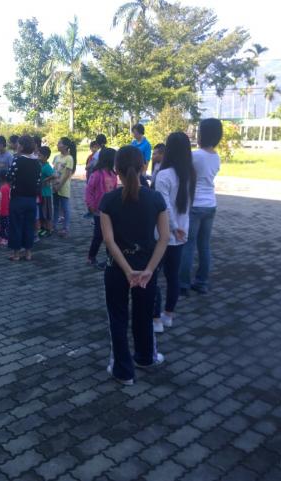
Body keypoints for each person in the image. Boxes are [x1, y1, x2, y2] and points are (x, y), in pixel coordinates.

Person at [100, 145, 169, 385]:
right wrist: (149, 270)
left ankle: (123, 371)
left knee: (117, 318)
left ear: (116, 169)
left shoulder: (108, 200)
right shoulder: (156, 198)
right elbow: (164, 238)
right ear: (143, 167)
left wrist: (127, 270)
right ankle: (145, 357)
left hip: (117, 269)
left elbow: (109, 241)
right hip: (147, 268)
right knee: (144, 315)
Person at [152, 132, 195, 333]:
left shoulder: (164, 174)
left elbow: (164, 206)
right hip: (180, 235)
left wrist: (174, 227)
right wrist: (179, 228)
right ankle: (168, 315)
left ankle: (156, 319)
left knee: (152, 275)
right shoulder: (190, 174)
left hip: (163, 235)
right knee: (172, 277)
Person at [179, 118, 222, 296]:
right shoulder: (216, 157)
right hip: (210, 205)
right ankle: (201, 282)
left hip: (195, 205)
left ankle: (183, 284)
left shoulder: (195, 156)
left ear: (203, 134)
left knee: (188, 245)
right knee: (204, 246)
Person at [7, 135, 41, 261]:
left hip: (18, 198)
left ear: (21, 146)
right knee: (29, 225)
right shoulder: (37, 162)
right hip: (32, 199)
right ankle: (28, 253)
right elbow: (38, 181)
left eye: (18, 144)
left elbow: (9, 176)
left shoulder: (18, 160)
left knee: (16, 225)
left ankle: (16, 254)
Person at [85, 147, 117, 268]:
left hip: (111, 210)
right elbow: (89, 190)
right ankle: (91, 257)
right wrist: (90, 205)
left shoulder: (113, 175)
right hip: (99, 210)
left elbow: (114, 191)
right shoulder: (97, 174)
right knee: (99, 235)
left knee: (111, 235)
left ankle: (110, 258)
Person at [52, 137, 76, 237]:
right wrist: (53, 184)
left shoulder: (69, 158)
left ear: (65, 146)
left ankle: (66, 228)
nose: (57, 145)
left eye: (59, 143)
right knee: (56, 207)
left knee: (65, 207)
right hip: (55, 185)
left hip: (63, 186)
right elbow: (54, 171)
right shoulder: (57, 157)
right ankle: (54, 226)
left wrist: (59, 185)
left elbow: (67, 174)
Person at [38, 146, 55, 237]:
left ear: (45, 157)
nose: (38, 157)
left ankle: (49, 229)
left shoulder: (47, 167)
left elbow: (54, 175)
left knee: (47, 212)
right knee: (42, 212)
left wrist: (46, 180)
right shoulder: (41, 165)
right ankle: (43, 228)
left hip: (46, 193)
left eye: (40, 155)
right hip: (41, 193)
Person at [0, 171, 10, 247]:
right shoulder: (4, 187)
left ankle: (6, 239)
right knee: (2, 225)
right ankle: (2, 237)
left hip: (4, 211)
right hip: (2, 210)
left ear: (1, 178)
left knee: (6, 225)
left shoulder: (4, 188)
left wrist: (3, 211)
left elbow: (5, 202)